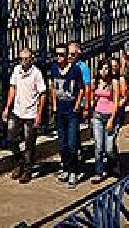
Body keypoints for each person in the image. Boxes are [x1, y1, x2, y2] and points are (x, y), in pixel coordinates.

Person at [2, 47, 47, 183]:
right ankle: (19, 162)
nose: (24, 62)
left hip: (31, 113)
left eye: (26, 59)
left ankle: (27, 170)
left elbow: (43, 94)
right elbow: (12, 88)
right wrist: (7, 108)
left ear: (31, 59)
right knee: (11, 139)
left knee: (29, 143)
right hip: (17, 111)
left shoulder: (36, 74)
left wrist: (39, 114)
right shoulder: (17, 70)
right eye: (21, 59)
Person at [47, 44, 86, 186]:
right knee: (62, 143)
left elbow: (81, 89)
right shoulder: (54, 69)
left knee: (72, 143)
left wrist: (77, 105)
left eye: (62, 55)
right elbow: (53, 87)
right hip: (60, 111)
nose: (60, 57)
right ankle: (65, 166)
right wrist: (55, 106)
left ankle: (74, 171)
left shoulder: (75, 70)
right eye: (57, 54)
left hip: (72, 111)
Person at [89, 60, 122, 183]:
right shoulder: (96, 82)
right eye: (102, 69)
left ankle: (114, 163)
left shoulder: (114, 82)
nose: (104, 71)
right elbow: (92, 97)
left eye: (106, 69)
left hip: (109, 116)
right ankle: (99, 171)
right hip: (97, 115)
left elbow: (116, 102)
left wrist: (112, 119)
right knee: (98, 146)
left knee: (109, 147)